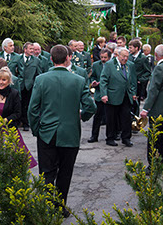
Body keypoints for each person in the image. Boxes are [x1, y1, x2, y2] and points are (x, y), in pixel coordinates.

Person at [28, 45, 96, 217]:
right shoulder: (79, 80)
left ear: (51, 59)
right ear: (68, 59)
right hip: (70, 132)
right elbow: (90, 106)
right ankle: (60, 206)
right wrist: (81, 116)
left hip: (47, 133)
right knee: (65, 172)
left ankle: (46, 205)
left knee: (47, 172)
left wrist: (37, 129)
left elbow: (32, 109)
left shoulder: (41, 79)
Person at [0, 67, 37, 201]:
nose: (1, 82)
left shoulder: (14, 93)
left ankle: (12, 187)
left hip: (9, 131)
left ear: (9, 81)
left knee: (12, 160)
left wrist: (4, 121)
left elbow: (18, 113)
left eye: (4, 80)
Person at [139, 45, 163, 169]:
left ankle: (153, 165)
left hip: (157, 108)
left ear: (156, 55)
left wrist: (145, 108)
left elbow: (153, 90)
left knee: (154, 139)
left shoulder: (160, 68)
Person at [100, 47, 137, 147]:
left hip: (126, 95)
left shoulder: (130, 65)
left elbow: (133, 81)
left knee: (126, 118)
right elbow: (103, 80)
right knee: (111, 118)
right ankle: (110, 138)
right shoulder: (109, 65)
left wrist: (133, 93)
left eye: (127, 57)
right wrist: (104, 94)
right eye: (123, 56)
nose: (125, 59)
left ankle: (126, 138)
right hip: (112, 95)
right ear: (118, 56)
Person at [16, 42, 42, 131]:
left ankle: (26, 123)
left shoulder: (36, 60)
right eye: (30, 49)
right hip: (19, 85)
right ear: (25, 50)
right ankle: (18, 121)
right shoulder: (18, 58)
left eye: (33, 49)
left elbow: (39, 74)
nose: (32, 51)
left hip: (30, 86)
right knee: (18, 104)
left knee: (28, 105)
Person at [88, 48, 111, 143]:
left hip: (109, 94)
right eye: (101, 57)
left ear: (109, 57)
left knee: (110, 117)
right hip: (98, 94)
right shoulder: (96, 65)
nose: (103, 59)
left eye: (105, 57)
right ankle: (94, 136)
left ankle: (110, 137)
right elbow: (92, 76)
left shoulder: (112, 65)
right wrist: (93, 82)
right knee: (97, 116)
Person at [129, 39, 151, 105]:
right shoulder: (129, 57)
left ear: (136, 48)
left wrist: (140, 80)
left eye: (131, 48)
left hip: (138, 85)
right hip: (129, 84)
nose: (129, 49)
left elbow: (148, 72)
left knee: (136, 103)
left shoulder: (143, 58)